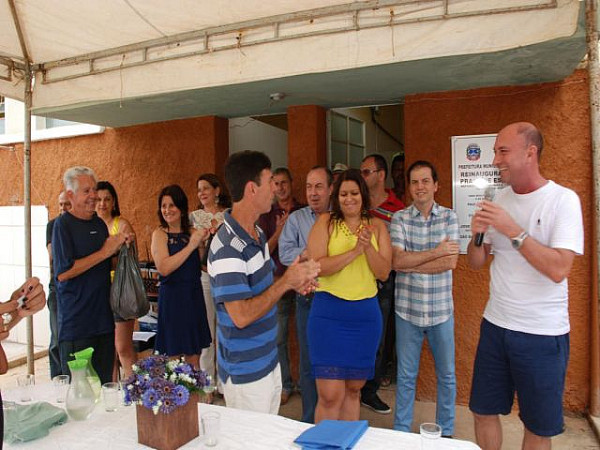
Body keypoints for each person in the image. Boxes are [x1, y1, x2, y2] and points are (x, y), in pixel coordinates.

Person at [467, 122, 583, 450]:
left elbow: (559, 268)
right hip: (496, 326)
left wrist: (514, 231)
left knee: (536, 426)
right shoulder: (498, 199)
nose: (494, 160)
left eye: (502, 151)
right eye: (494, 152)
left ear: (530, 152)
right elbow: (476, 263)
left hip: (542, 335)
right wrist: (476, 236)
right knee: (482, 411)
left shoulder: (563, 200)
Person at [208, 150, 320, 414]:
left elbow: (267, 283)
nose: (275, 189)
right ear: (252, 189)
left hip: (268, 362)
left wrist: (293, 281)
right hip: (246, 372)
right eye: (270, 181)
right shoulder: (226, 247)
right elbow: (241, 315)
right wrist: (285, 284)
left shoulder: (256, 233)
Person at [306, 168, 391, 422]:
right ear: (336, 196)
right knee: (330, 394)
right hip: (328, 314)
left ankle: (346, 443)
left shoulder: (376, 226)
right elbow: (318, 266)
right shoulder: (326, 222)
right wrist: (354, 251)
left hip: (365, 316)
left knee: (354, 389)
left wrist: (367, 249)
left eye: (354, 193)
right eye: (343, 194)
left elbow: (384, 272)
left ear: (363, 195)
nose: (349, 198)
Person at [391, 160, 459, 436]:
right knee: (405, 378)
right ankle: (401, 432)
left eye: (425, 181)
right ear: (409, 187)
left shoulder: (450, 217)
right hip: (407, 311)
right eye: (415, 182)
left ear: (436, 185)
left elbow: (451, 262)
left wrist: (412, 261)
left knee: (447, 376)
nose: (420, 187)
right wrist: (435, 252)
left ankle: (447, 432)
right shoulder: (400, 218)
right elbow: (396, 261)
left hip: (442, 310)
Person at [53, 166, 129, 384]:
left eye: (93, 190)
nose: (93, 195)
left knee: (106, 387)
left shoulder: (98, 223)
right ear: (70, 195)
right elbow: (64, 273)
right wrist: (105, 251)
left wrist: (121, 249)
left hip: (104, 322)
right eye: (86, 191)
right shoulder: (62, 225)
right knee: (79, 392)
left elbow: (104, 264)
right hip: (77, 326)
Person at [279, 165, 333, 423]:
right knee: (309, 360)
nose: (313, 193)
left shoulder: (342, 217)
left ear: (330, 189)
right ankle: (310, 418)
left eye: (319, 186)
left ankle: (332, 418)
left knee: (334, 360)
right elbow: (285, 253)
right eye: (309, 187)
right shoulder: (296, 219)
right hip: (307, 298)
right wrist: (309, 252)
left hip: (336, 296)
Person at [359, 153, 405, 414]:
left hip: (383, 283)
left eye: (367, 172)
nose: (363, 176)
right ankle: (353, 387)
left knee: (378, 339)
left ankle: (370, 391)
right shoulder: (356, 204)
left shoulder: (397, 209)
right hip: (354, 279)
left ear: (381, 175)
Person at [151, 184, 212, 369]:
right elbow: (164, 268)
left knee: (194, 354)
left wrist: (203, 243)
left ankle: (195, 395)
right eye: (164, 206)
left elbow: (201, 264)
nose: (167, 210)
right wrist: (191, 246)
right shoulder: (160, 234)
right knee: (173, 355)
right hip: (172, 299)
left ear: (181, 208)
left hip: (193, 296)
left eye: (172, 205)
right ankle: (177, 396)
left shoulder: (192, 233)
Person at [257, 167, 305, 405]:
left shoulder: (305, 210)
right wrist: (279, 230)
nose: (280, 188)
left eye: (284, 182)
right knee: (279, 338)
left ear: (292, 183)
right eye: (275, 183)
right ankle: (285, 384)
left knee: (306, 337)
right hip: (278, 282)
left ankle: (307, 385)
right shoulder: (266, 214)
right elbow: (262, 251)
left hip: (305, 282)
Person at [189, 173, 231, 394]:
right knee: (207, 333)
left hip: (224, 278)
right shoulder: (195, 218)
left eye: (206, 188)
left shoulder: (227, 215)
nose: (202, 193)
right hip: (205, 277)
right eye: (199, 189)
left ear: (217, 190)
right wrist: (201, 242)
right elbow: (194, 252)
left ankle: (225, 386)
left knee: (224, 329)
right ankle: (207, 385)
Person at [95, 181, 136, 380]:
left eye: (107, 199)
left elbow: (125, 259)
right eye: (99, 199)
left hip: (120, 292)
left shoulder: (122, 224)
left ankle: (134, 392)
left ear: (114, 202)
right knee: (105, 350)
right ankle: (111, 393)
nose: (102, 204)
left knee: (123, 348)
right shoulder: (90, 227)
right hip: (97, 293)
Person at [46, 191, 72, 378]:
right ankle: (57, 378)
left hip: (76, 291)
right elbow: (54, 256)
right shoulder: (53, 225)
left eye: (66, 205)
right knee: (56, 338)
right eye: (60, 204)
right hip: (57, 289)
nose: (62, 208)